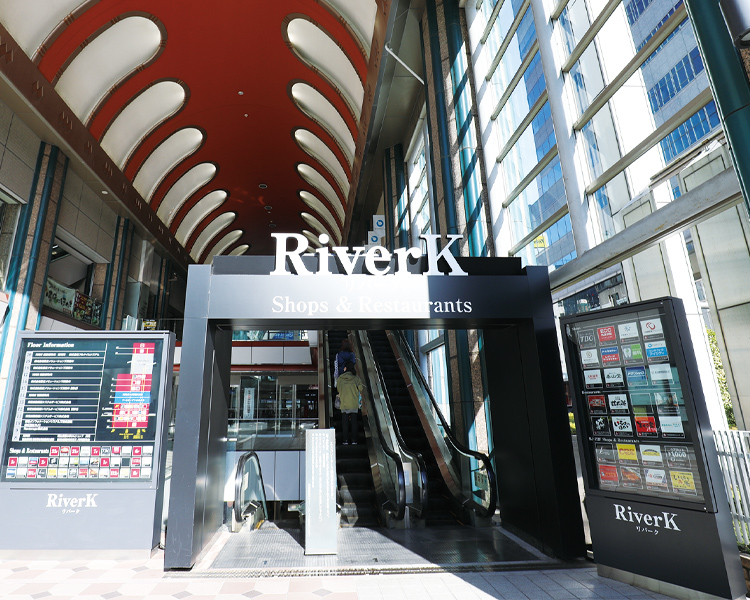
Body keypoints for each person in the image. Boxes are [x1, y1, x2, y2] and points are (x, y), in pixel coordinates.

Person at [337, 361, 363, 445]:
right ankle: (354, 440)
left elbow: (338, 389)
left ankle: (345, 440)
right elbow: (361, 388)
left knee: (345, 422)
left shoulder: (340, 378)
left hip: (344, 403)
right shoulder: (356, 378)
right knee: (354, 422)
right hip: (353, 403)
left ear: (345, 368)